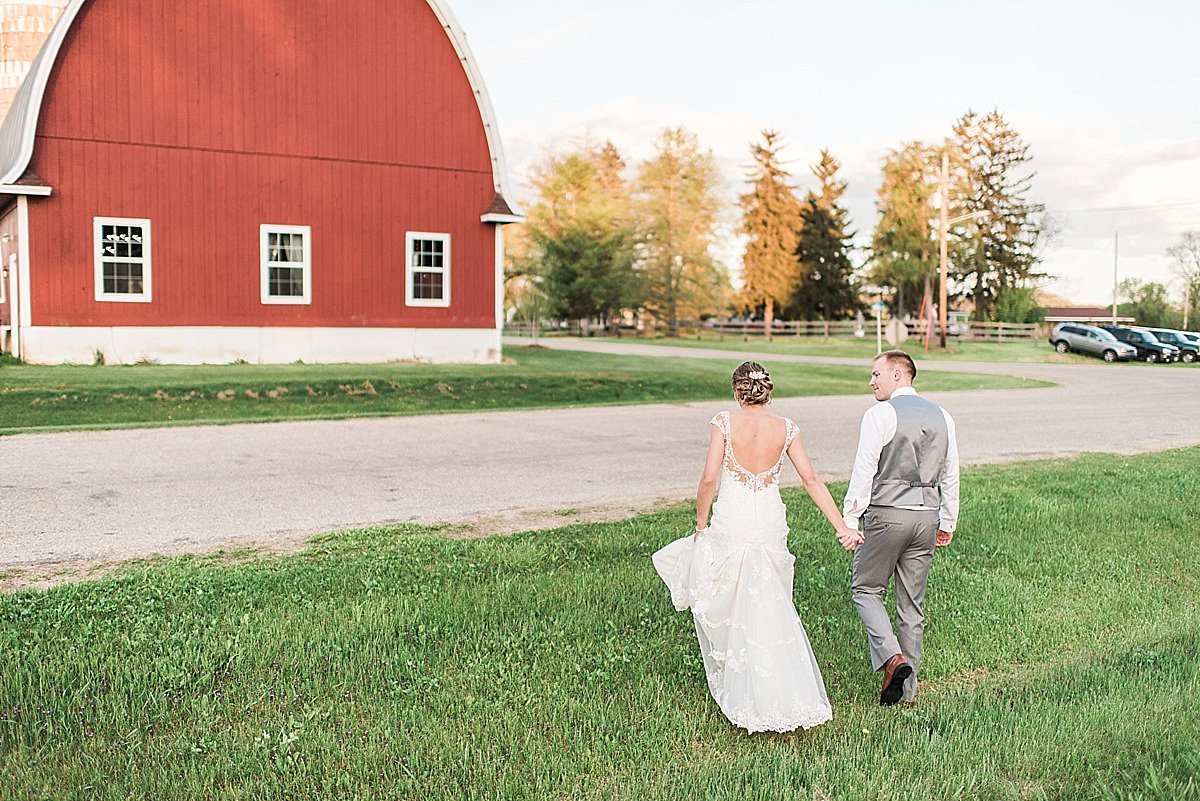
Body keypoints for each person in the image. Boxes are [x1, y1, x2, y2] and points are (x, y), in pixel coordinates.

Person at [652, 361, 861, 733]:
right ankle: (772, 687)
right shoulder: (787, 428)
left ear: (737, 390)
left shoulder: (724, 423)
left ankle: (750, 688)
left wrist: (700, 526)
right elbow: (811, 480)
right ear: (768, 390)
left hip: (734, 517)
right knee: (769, 599)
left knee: (733, 598)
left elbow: (708, 478)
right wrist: (841, 526)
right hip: (767, 517)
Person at [842, 350, 960, 707]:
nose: (871, 381)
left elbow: (864, 469)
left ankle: (893, 658)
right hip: (926, 516)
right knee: (912, 607)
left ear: (898, 375)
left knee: (866, 588)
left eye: (876, 373)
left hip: (886, 513)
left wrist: (850, 518)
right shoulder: (944, 416)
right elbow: (950, 472)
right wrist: (948, 519)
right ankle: (908, 695)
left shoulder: (879, 414)